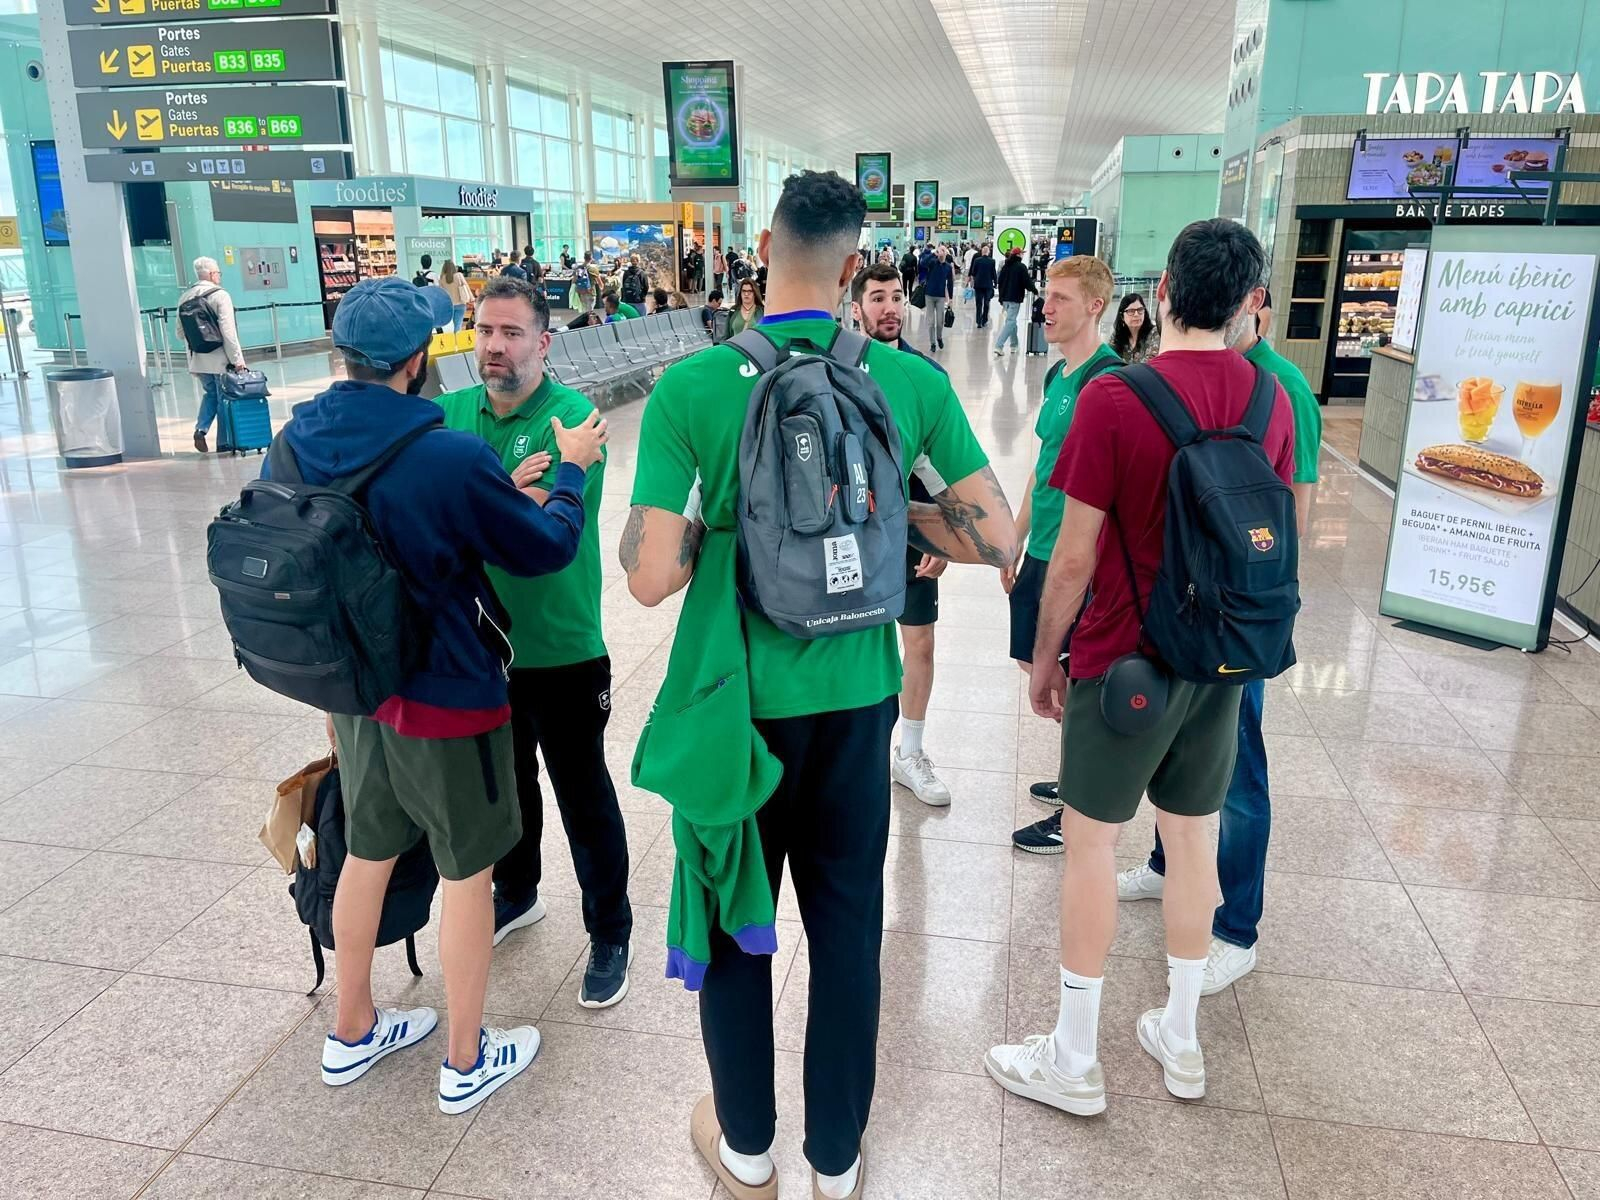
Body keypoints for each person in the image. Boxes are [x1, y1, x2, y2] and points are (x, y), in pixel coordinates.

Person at [622, 169, 1017, 1200]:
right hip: (855, 705)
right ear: (854, 268)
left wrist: (725, 534)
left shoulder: (692, 389)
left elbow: (650, 579)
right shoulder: (910, 383)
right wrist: (888, 533)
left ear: (759, 244)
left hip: (736, 711)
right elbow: (996, 534)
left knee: (731, 917)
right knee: (846, 928)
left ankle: (746, 1145)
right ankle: (835, 1161)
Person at [271, 277, 608, 1115]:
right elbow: (544, 548)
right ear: (420, 359)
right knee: (467, 874)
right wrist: (569, 472)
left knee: (367, 852)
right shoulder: (444, 454)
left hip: (356, 696)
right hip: (446, 699)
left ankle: (351, 1029)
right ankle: (466, 1058)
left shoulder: (296, 439)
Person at [986, 218, 1295, 1119]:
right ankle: (1182, 1036)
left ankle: (1075, 1058)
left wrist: (1047, 660)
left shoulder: (1116, 399)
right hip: (1222, 662)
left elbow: (1073, 557)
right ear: (1248, 304)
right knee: (1193, 837)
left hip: (1125, 663)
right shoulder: (1270, 401)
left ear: (1160, 294)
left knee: (1089, 843)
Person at [1115, 273, 1322, 993]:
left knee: (1238, 771)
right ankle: (1167, 864)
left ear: (1254, 302)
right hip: (1181, 608)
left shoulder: (1279, 387)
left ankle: (1236, 927)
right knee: (1182, 756)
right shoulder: (1206, 374)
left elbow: (1293, 514)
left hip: (1236, 617)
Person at [437, 276, 635, 1007]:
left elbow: (537, 530)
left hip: (562, 646)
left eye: (512, 333)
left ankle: (611, 927)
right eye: (485, 330)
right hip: (481, 646)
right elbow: (457, 509)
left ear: (543, 343)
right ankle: (518, 893)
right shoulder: (450, 413)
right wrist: (503, 491)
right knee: (508, 784)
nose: (494, 346)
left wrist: (488, 495)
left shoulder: (572, 420)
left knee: (583, 791)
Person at [1002, 256, 1124, 853]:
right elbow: (1043, 468)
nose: (1044, 307)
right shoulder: (1058, 378)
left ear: (1095, 306)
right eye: (1046, 296)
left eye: (1060, 299)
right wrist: (1016, 536)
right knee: (1039, 665)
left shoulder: (1110, 381)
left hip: (1079, 554)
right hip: (1044, 545)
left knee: (1075, 674)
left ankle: (1080, 805)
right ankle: (1074, 776)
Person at [851, 262, 953, 806]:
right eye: (877, 298)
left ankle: (908, 751)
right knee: (853, 640)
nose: (889, 307)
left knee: (920, 641)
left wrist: (943, 539)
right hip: (848, 534)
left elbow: (944, 465)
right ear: (857, 307)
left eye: (896, 297)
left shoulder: (926, 376)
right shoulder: (835, 371)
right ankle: (857, 750)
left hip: (911, 530)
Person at [180, 256, 247, 454]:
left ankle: (200, 430)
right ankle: (223, 442)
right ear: (211, 274)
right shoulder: (221, 295)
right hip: (220, 359)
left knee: (210, 394)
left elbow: (179, 332)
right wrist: (238, 360)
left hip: (199, 359)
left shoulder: (185, 297)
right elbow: (228, 331)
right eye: (218, 273)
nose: (219, 276)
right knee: (223, 397)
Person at [993, 247, 1037, 356]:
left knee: (1012, 321)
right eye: (1022, 253)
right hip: (1014, 298)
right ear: (1018, 255)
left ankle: (1014, 345)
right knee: (1011, 321)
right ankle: (999, 345)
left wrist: (1001, 298)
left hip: (1005, 298)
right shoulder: (1021, 267)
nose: (1023, 255)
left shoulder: (1005, 266)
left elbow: (1000, 282)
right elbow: (1027, 282)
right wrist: (1034, 290)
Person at [1112, 292, 1159, 364]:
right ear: (1122, 316)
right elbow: (1109, 358)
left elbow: (1151, 362)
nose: (1136, 314)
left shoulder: (1154, 333)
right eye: (1131, 311)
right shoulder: (1117, 336)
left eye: (1140, 310)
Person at [923, 245, 954, 353]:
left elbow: (950, 283)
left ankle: (939, 337)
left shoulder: (948, 267)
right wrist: (933, 254)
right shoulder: (932, 263)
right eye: (939, 250)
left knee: (940, 322)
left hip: (941, 296)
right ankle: (932, 343)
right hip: (929, 295)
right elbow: (923, 263)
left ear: (946, 253)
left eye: (943, 251)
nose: (941, 253)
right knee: (931, 322)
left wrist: (951, 298)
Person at [440, 260, 474, 333]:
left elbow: (441, 293)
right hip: (460, 304)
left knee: (449, 327)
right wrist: (471, 298)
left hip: (449, 306)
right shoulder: (459, 275)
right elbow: (466, 287)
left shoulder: (442, 278)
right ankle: (457, 342)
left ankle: (450, 341)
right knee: (458, 325)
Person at [969, 242, 997, 329]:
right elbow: (994, 273)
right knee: (986, 303)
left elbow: (973, 272)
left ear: (982, 252)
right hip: (988, 285)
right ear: (988, 252)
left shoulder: (977, 261)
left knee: (978, 303)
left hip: (978, 284)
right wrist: (995, 283)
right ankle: (984, 320)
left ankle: (978, 321)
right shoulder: (992, 261)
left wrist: (973, 280)